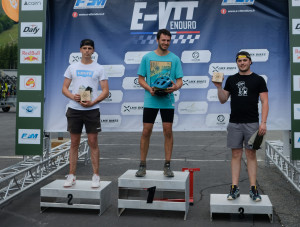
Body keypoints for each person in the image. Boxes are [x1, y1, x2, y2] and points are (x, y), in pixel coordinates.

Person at [212, 51, 269, 201]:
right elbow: (223, 100)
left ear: (250, 62)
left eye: (245, 60)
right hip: (234, 123)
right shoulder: (231, 79)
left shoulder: (258, 80)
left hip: (252, 124)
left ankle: (253, 188)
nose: (242, 63)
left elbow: (265, 102)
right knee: (236, 155)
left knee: (251, 155)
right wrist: (219, 87)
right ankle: (234, 188)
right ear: (236, 63)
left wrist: (263, 122)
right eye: (239, 61)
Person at [135, 29, 183, 177]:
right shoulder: (147, 58)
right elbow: (140, 79)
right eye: (163, 40)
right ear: (157, 40)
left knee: (168, 131)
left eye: (168, 40)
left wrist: (175, 87)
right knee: (146, 131)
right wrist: (149, 88)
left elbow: (179, 81)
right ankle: (142, 165)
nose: (166, 43)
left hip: (167, 101)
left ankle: (167, 165)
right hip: (151, 99)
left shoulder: (174, 59)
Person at [62, 39, 109, 188]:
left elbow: (106, 91)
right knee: (74, 143)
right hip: (74, 109)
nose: (87, 51)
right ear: (80, 50)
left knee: (93, 142)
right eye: (84, 48)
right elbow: (64, 88)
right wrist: (73, 96)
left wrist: (93, 102)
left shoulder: (99, 68)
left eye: (89, 48)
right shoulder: (72, 67)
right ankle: (72, 175)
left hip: (92, 110)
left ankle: (96, 176)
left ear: (93, 51)